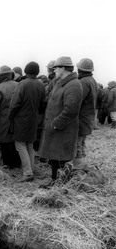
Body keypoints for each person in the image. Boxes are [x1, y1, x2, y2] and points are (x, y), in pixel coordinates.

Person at [39, 56, 83, 188]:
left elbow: (71, 110)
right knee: (54, 157)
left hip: (63, 129)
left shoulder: (74, 85)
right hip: (57, 129)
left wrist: (55, 124)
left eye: (56, 68)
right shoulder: (60, 82)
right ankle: (54, 182)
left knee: (62, 158)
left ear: (63, 68)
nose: (54, 70)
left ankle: (61, 186)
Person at [8, 62, 45, 182]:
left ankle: (28, 173)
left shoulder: (22, 84)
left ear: (26, 71)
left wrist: (10, 116)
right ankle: (30, 169)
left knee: (20, 145)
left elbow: (15, 103)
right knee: (29, 144)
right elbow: (42, 104)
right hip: (34, 119)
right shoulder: (40, 85)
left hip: (21, 119)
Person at [0, 65, 21, 169]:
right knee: (17, 141)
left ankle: (8, 163)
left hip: (4, 119)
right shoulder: (19, 85)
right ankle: (18, 163)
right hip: (18, 118)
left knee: (5, 141)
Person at [73, 58, 98, 168]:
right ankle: (83, 165)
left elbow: (78, 99)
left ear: (80, 69)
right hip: (88, 116)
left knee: (77, 144)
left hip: (82, 117)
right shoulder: (92, 80)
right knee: (82, 142)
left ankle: (78, 168)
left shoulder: (83, 82)